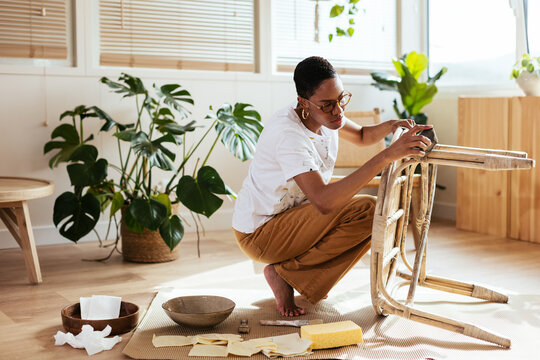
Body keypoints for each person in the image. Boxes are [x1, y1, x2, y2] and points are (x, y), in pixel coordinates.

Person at [232, 56, 432, 317]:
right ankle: (285, 274)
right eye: (327, 105)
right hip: (260, 233)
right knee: (369, 210)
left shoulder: (327, 117)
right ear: (303, 103)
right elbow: (323, 201)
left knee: (371, 212)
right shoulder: (288, 134)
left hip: (294, 216)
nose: (338, 111)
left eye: (341, 99)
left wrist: (391, 126)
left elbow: (361, 135)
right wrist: (386, 156)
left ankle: (295, 276)